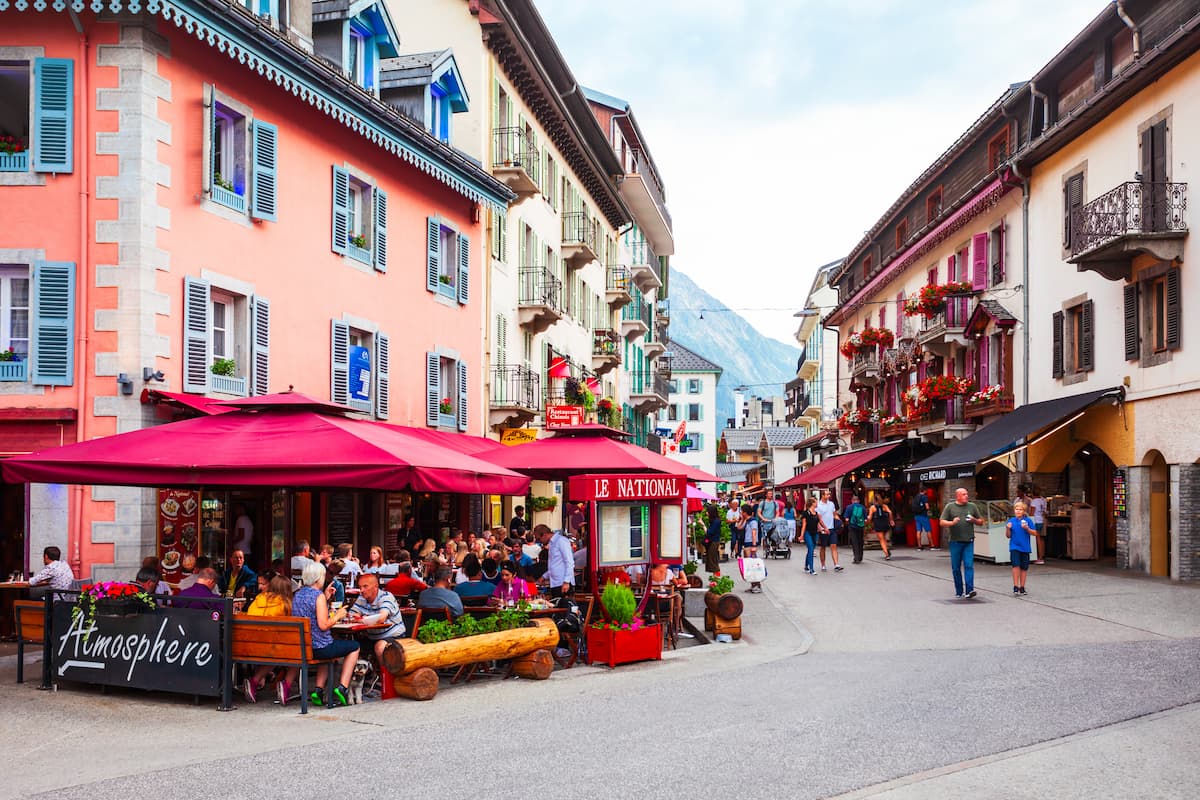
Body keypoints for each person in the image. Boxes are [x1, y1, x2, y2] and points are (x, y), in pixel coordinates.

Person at [293, 561, 358, 706]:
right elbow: (323, 625)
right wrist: (338, 615)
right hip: (320, 648)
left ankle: (318, 690)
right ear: (318, 578)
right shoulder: (318, 596)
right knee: (354, 646)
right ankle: (342, 687)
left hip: (304, 647)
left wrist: (326, 596)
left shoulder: (298, 594)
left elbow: (311, 612)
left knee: (329, 654)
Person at [243, 574, 298, 705]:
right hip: (271, 647)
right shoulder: (286, 604)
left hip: (248, 645)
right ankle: (286, 685)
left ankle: (255, 681)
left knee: (277, 650)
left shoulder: (258, 598)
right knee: (297, 652)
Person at [349, 572, 405, 662]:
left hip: (394, 637)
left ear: (375, 587)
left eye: (365, 586)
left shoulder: (386, 597)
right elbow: (352, 615)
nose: (361, 590)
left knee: (380, 646)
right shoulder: (362, 598)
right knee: (350, 646)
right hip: (371, 637)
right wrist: (360, 617)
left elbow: (381, 618)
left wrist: (362, 618)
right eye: (360, 587)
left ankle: (385, 675)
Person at [940, 487, 984, 599]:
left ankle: (969, 590)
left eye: (967, 494)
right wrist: (952, 522)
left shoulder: (972, 506)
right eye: (964, 494)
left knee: (969, 565)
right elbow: (942, 522)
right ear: (957, 496)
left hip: (969, 541)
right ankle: (959, 590)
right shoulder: (950, 507)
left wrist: (974, 520)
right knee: (956, 567)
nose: (966, 496)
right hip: (955, 541)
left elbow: (981, 521)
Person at [1006, 501, 1036, 596]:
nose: (1018, 511)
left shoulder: (1028, 521)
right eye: (1016, 509)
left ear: (1024, 511)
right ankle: (1015, 586)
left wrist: (1027, 528)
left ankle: (1022, 586)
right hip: (1014, 546)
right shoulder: (1011, 521)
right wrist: (1008, 528)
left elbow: (1035, 533)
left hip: (1025, 547)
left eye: (1020, 509)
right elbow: (1008, 536)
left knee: (1024, 567)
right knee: (1015, 565)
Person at [540, 524, 575, 598]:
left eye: (539, 539)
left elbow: (569, 562)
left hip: (562, 583)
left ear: (544, 535)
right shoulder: (552, 544)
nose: (540, 541)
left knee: (565, 607)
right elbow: (554, 564)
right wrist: (544, 576)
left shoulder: (561, 541)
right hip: (556, 583)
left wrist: (566, 581)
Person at [816, 490, 842, 571]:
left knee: (834, 545)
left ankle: (836, 564)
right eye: (827, 494)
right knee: (823, 547)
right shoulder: (818, 505)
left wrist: (839, 521)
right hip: (823, 529)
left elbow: (834, 514)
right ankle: (823, 565)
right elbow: (818, 518)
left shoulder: (831, 504)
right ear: (823, 495)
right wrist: (821, 528)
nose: (829, 496)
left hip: (832, 528)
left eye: (829, 494)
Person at [739, 504, 762, 593]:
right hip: (746, 544)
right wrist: (742, 520)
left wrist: (754, 545)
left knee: (753, 566)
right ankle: (753, 585)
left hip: (750, 545)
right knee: (748, 566)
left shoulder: (753, 521)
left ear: (745, 512)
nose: (741, 512)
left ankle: (757, 585)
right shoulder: (747, 520)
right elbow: (739, 527)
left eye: (742, 511)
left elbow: (754, 533)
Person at [799, 498, 821, 575]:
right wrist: (801, 535)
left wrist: (822, 529)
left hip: (815, 533)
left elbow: (818, 523)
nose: (817, 503)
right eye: (816, 502)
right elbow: (804, 525)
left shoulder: (816, 513)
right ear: (812, 503)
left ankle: (806, 566)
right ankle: (811, 569)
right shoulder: (806, 513)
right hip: (808, 533)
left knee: (810, 550)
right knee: (811, 549)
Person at [868, 496, 894, 561]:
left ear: (874, 500)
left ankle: (887, 554)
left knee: (881, 540)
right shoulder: (884, 506)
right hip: (885, 523)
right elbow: (890, 512)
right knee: (884, 538)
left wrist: (867, 521)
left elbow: (870, 517)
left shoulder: (872, 507)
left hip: (878, 524)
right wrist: (891, 520)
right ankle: (886, 549)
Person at [844, 494, 867, 564]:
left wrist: (847, 524)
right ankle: (860, 557)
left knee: (854, 542)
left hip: (852, 527)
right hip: (861, 526)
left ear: (852, 500)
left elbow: (847, 518)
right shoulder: (863, 507)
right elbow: (866, 519)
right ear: (859, 501)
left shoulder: (849, 507)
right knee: (860, 541)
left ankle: (856, 558)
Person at [1028, 486, 1048, 564]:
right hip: (1041, 521)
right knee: (1039, 538)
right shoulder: (1042, 500)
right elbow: (1044, 512)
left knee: (1036, 539)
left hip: (1035, 521)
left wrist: (1027, 517)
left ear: (1033, 493)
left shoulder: (1034, 501)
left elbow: (1032, 513)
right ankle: (1041, 555)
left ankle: (1039, 558)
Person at [703, 503, 723, 574]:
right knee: (712, 560)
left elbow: (709, 532)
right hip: (713, 541)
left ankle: (716, 580)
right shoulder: (715, 520)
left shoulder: (716, 521)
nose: (706, 513)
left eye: (707, 511)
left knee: (713, 561)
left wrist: (703, 525)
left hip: (713, 542)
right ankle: (715, 579)